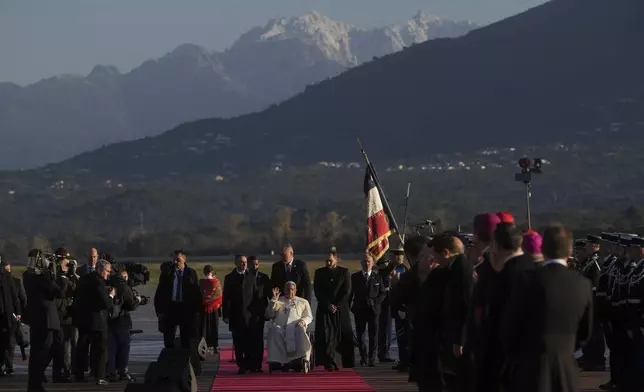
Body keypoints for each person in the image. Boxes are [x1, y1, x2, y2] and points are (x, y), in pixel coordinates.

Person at [501, 224, 593, 392]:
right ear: (570, 251)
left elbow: (509, 328)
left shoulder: (526, 281)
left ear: (543, 250)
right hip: (566, 369)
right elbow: (585, 332)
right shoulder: (583, 284)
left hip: (530, 369)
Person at [22, 250, 67, 391]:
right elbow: (59, 292)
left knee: (36, 353)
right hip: (46, 319)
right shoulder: (43, 276)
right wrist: (63, 275)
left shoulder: (27, 275)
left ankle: (33, 384)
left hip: (35, 319)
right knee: (42, 352)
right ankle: (36, 385)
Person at [222, 255, 267, 374]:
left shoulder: (251, 276)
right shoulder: (229, 278)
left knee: (251, 341)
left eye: (245, 262)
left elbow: (257, 295)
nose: (244, 264)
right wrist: (225, 314)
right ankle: (242, 365)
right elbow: (226, 297)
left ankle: (253, 365)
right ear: (236, 263)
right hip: (236, 315)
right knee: (238, 342)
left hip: (250, 315)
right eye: (241, 262)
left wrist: (260, 312)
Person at [439, 234, 473, 391]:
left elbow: (465, 306)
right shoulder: (455, 267)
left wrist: (460, 340)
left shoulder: (461, 269)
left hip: (458, 338)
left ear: (446, 253)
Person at [73, 259, 114, 385]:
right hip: (97, 321)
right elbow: (105, 303)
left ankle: (78, 374)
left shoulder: (84, 279)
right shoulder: (98, 282)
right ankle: (100, 376)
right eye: (107, 271)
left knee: (82, 348)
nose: (108, 274)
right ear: (100, 269)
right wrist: (111, 295)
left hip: (83, 319)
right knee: (101, 349)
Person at [313, 249, 354, 370]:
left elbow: (346, 291)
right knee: (325, 335)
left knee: (343, 334)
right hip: (325, 309)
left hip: (341, 309)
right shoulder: (319, 273)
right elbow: (318, 291)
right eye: (326, 261)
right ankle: (328, 361)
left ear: (337, 259)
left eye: (330, 260)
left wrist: (336, 305)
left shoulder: (344, 272)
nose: (328, 263)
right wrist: (328, 305)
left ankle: (345, 361)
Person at [154, 250, 202, 350]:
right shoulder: (167, 273)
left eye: (178, 260)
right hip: (170, 308)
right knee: (168, 338)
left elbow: (197, 293)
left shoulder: (191, 273)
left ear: (184, 260)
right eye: (174, 260)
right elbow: (160, 292)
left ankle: (184, 362)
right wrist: (159, 310)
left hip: (185, 308)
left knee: (186, 338)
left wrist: (197, 311)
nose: (176, 262)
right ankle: (169, 360)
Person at [265, 282, 314, 371]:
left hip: (296, 327)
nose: (290, 291)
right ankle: (277, 361)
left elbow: (309, 316)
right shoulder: (278, 300)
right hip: (281, 328)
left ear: (295, 290)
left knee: (300, 330)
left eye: (292, 289)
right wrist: (273, 301)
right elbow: (270, 315)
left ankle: (299, 360)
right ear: (284, 290)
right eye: (287, 289)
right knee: (273, 330)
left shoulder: (303, 302)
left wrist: (303, 321)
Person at [349, 253, 386, 367]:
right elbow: (350, 294)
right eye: (365, 261)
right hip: (359, 310)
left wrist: (375, 302)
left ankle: (371, 358)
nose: (367, 263)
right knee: (360, 335)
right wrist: (349, 307)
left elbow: (383, 293)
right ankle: (363, 357)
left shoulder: (377, 277)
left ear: (373, 263)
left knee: (373, 335)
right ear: (361, 263)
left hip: (373, 310)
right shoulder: (355, 277)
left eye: (369, 261)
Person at [578, 234, 606, 371]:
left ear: (595, 246)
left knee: (595, 333)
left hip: (593, 301)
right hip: (588, 301)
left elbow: (596, 284)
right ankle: (589, 357)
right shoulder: (589, 261)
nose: (586, 247)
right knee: (590, 332)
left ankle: (597, 359)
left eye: (589, 245)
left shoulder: (595, 262)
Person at [107, 268, 140, 382]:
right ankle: (123, 371)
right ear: (125, 277)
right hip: (122, 321)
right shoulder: (125, 287)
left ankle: (111, 372)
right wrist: (138, 300)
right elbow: (130, 305)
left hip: (110, 322)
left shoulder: (109, 284)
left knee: (112, 349)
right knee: (124, 348)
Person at [376, 246, 403, 363]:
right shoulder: (383, 271)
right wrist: (393, 264)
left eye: (400, 255)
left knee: (398, 330)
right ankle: (383, 353)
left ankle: (401, 355)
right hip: (385, 304)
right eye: (396, 255)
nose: (399, 257)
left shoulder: (403, 268)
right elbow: (384, 274)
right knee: (384, 329)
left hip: (398, 303)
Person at [53, 256, 78, 382]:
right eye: (67, 265)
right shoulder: (62, 280)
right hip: (63, 316)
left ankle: (62, 371)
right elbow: (71, 291)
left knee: (65, 345)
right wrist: (70, 277)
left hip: (65, 315)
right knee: (64, 346)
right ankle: (64, 371)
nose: (70, 267)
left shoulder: (63, 279)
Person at [388, 246, 410, 371]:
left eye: (397, 255)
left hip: (403, 309)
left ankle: (405, 361)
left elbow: (403, 290)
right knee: (400, 336)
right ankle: (402, 359)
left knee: (404, 337)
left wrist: (402, 307)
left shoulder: (404, 270)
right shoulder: (392, 268)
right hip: (396, 307)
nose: (394, 258)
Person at [0, 259, 22, 377]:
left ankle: (6, 365)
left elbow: (15, 296)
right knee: (7, 342)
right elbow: (15, 297)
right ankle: (7, 365)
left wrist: (17, 312)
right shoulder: (8, 278)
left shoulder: (8, 278)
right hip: (7, 314)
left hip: (7, 314)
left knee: (7, 341)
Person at [199, 265, 222, 355]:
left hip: (203, 308)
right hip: (214, 308)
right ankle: (215, 346)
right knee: (214, 327)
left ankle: (204, 347)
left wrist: (206, 300)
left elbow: (199, 295)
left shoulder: (200, 282)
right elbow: (219, 296)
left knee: (204, 328)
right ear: (212, 272)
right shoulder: (216, 282)